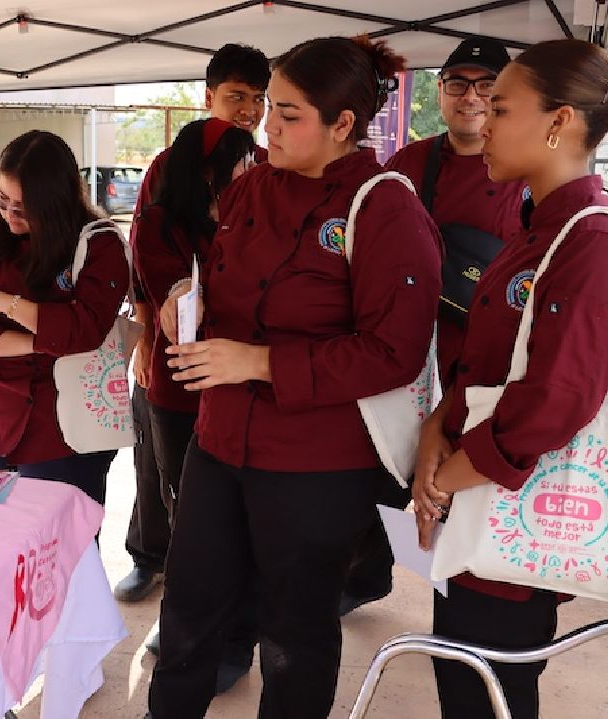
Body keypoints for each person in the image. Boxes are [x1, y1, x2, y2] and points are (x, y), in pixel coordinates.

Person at [147, 35, 442, 719]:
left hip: (316, 462)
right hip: (219, 441)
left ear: (343, 125)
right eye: (269, 109)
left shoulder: (384, 206)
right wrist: (182, 306)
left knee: (294, 633)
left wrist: (261, 362)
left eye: (288, 114)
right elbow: (223, 284)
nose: (268, 126)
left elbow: (392, 351)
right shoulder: (252, 185)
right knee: (188, 609)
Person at [414, 38, 608, 719]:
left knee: (488, 689)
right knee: (460, 672)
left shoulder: (594, 239)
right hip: (476, 500)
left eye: (502, 107)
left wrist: (448, 474)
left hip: (514, 510)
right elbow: (487, 360)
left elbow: (556, 400)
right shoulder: (539, 226)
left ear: (559, 122)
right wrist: (435, 430)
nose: (482, 121)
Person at [340, 36, 527, 616]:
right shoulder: (411, 163)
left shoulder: (524, 170)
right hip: (407, 354)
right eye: (457, 83)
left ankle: (461, 598)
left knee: (459, 482)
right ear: (441, 92)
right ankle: (369, 575)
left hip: (482, 362)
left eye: (486, 86)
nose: (471, 97)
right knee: (386, 467)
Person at [115, 43, 269, 689]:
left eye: (258, 100)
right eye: (238, 95)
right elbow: (149, 266)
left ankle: (216, 620)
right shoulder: (167, 169)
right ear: (207, 95)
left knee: (217, 503)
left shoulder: (263, 167)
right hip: (175, 362)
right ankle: (152, 563)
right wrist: (150, 332)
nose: (250, 109)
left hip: (238, 374)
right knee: (162, 473)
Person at [0, 130, 129, 506]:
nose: (9, 215)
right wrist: (47, 337)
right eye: (2, 200)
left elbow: (85, 330)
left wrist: (4, 304)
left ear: (55, 203)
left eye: (24, 209)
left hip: (62, 434)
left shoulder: (98, 244)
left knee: (63, 552)